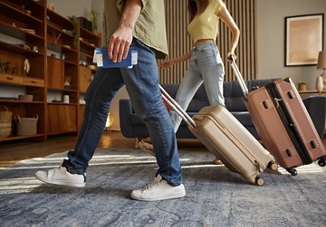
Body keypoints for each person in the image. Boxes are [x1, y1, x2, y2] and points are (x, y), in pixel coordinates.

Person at [34, 0, 186, 202]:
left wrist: (126, 26)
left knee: (150, 106)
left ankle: (172, 179)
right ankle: (75, 169)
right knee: (96, 98)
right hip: (119, 41)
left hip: (134, 36)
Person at [139, 0, 240, 163]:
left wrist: (231, 50)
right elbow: (195, 47)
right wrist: (173, 61)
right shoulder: (195, 12)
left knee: (217, 105)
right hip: (195, 59)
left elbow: (235, 30)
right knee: (179, 103)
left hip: (210, 56)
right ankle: (162, 147)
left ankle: (224, 151)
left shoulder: (216, 3)